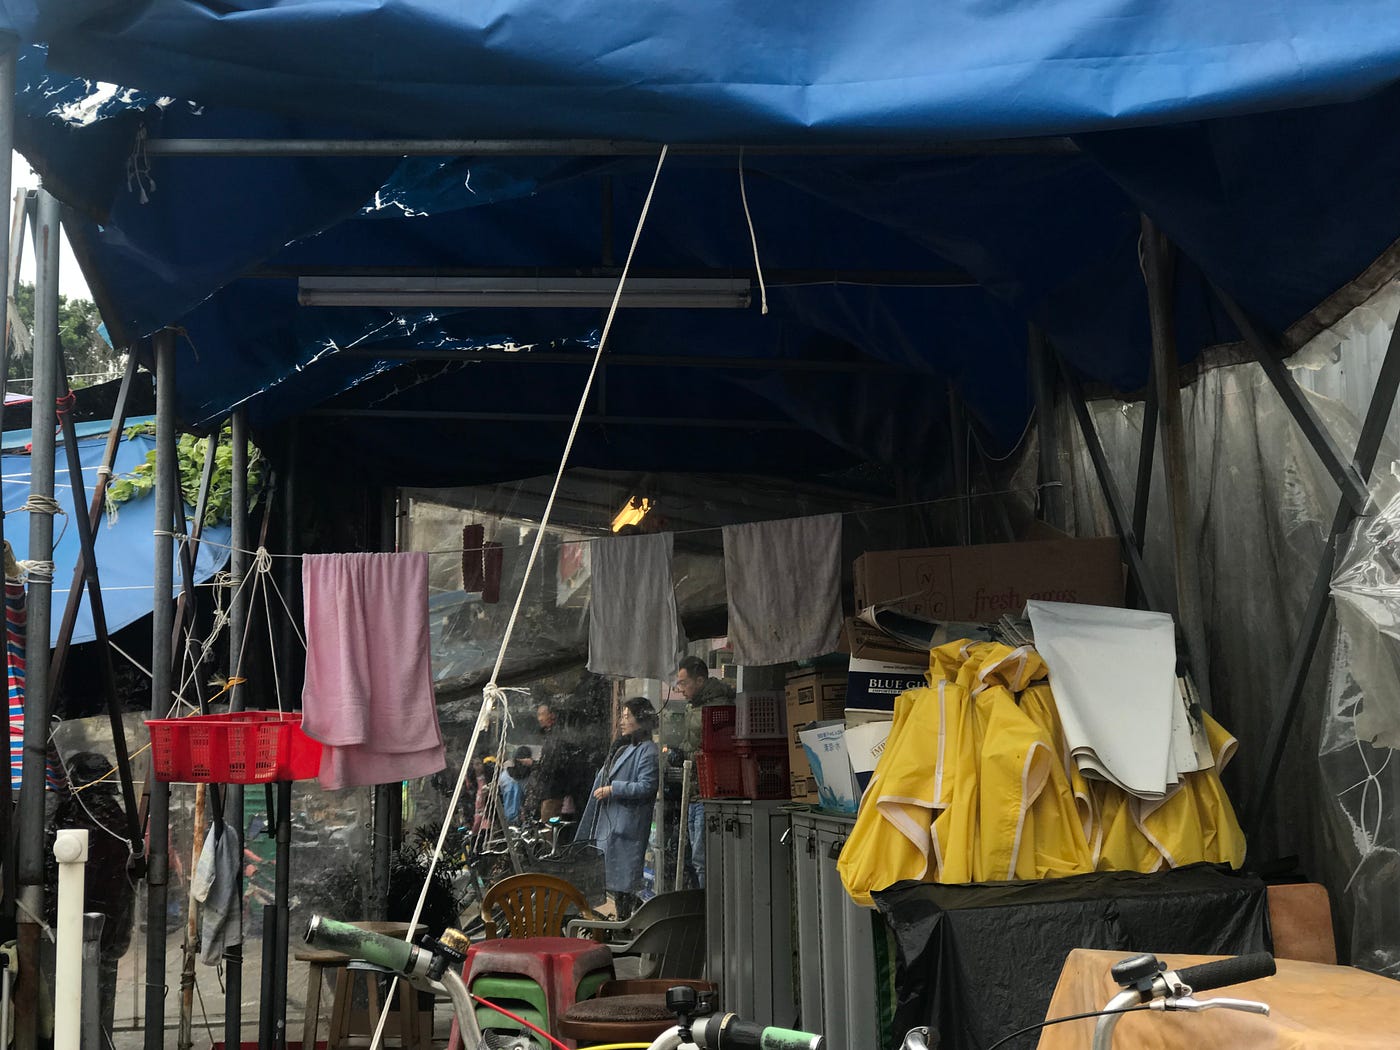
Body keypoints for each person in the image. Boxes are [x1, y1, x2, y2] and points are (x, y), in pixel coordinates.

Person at [44, 752, 137, 1042]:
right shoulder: (120, 820)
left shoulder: (71, 818)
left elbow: (53, 876)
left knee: (68, 1009)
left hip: (70, 930)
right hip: (109, 932)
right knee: (97, 1006)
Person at [578, 698, 659, 920]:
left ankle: (626, 920)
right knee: (614, 880)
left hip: (628, 825)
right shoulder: (626, 747)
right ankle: (621, 920)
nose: (622, 721)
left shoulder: (648, 751)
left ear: (640, 720)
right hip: (612, 822)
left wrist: (613, 788)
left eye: (627, 716)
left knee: (625, 881)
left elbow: (647, 786)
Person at [675, 655, 734, 887]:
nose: (681, 690)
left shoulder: (718, 707)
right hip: (693, 792)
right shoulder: (694, 706)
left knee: (703, 859)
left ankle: (708, 910)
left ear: (700, 681)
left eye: (684, 683)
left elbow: (712, 748)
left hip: (709, 793)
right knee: (696, 858)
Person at [500, 745, 533, 824]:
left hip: (527, 819)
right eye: (520, 762)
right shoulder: (505, 777)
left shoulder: (532, 777)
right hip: (508, 819)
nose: (521, 765)